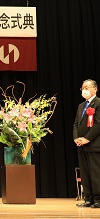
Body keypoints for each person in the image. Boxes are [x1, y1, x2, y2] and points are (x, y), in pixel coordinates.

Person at [73, 79, 100, 208]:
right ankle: (88, 198)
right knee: (85, 173)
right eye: (83, 88)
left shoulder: (98, 103)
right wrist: (77, 138)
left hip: (94, 144)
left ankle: (98, 199)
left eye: (87, 87)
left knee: (95, 173)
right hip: (81, 145)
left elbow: (98, 124)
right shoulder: (81, 106)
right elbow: (76, 124)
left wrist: (87, 139)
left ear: (95, 89)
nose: (84, 90)